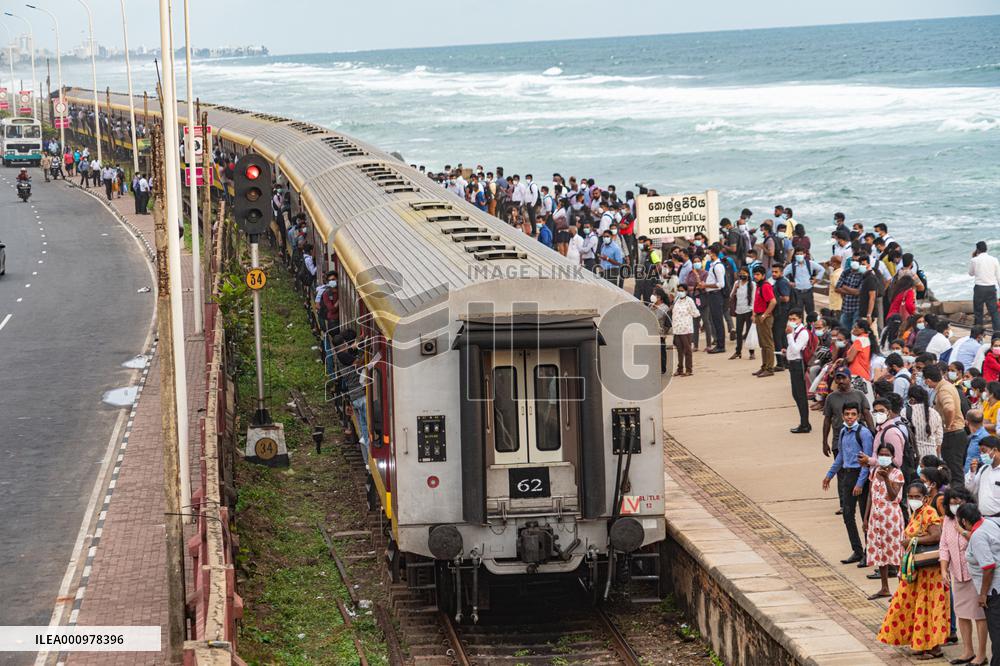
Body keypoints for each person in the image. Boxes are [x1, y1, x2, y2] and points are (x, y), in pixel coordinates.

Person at [877, 481, 950, 658]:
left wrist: (912, 541)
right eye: (910, 496)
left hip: (929, 571)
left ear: (925, 498)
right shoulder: (916, 513)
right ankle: (922, 643)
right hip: (916, 569)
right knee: (915, 605)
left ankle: (932, 646)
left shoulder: (929, 512)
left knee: (929, 606)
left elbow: (936, 535)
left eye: (917, 496)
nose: (913, 499)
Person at [939, 487, 990, 665]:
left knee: (979, 615)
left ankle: (981, 654)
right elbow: (944, 546)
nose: (955, 506)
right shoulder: (947, 521)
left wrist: (961, 530)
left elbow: (979, 541)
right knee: (962, 613)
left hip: (975, 575)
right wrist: (944, 569)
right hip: (958, 574)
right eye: (951, 503)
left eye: (958, 503)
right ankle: (968, 651)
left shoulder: (977, 520)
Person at [821, 402, 873, 563]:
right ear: (842, 416)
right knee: (848, 514)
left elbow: (866, 461)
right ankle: (857, 550)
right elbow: (841, 456)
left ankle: (869, 552)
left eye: (853, 414)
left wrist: (860, 483)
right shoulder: (843, 432)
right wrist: (830, 474)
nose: (850, 417)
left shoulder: (864, 433)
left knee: (865, 515)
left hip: (861, 476)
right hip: (847, 476)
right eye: (847, 414)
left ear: (858, 416)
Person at [956, 502, 1000, 666]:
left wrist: (982, 594)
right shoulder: (988, 523)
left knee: (997, 634)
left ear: (964, 521)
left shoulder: (978, 536)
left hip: (994, 591)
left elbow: (988, 567)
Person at [863, 443, 905, 599]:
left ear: (893, 457)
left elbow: (893, 496)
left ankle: (901, 590)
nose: (884, 457)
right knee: (880, 551)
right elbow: (870, 495)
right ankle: (884, 587)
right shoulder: (874, 472)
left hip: (891, 519)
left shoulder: (897, 474)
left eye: (887, 455)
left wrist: (887, 478)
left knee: (895, 552)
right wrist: (866, 518)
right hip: (876, 517)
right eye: (881, 454)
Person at [925, 365, 970, 487]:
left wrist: (947, 424)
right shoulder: (947, 385)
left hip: (952, 434)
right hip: (955, 434)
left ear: (928, 380)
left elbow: (949, 408)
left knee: (954, 472)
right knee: (953, 469)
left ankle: (958, 496)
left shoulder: (943, 390)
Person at [785, 308, 813, 433]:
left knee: (800, 396)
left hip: (798, 365)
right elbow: (793, 349)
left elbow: (796, 349)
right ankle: (804, 422)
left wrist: (789, 335)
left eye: (794, 319)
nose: (791, 321)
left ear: (800, 319)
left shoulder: (803, 333)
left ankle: (804, 424)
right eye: (790, 319)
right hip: (793, 364)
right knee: (796, 394)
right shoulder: (795, 331)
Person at [751, 265, 777, 377]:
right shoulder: (759, 286)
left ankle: (769, 368)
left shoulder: (765, 286)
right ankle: (764, 366)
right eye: (754, 274)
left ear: (763, 275)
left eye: (758, 274)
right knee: (763, 344)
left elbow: (773, 301)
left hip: (764, 317)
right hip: (759, 316)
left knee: (767, 344)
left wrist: (765, 314)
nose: (755, 276)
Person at [969, 241, 1000, 330]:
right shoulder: (994, 259)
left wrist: (974, 257)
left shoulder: (974, 260)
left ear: (977, 249)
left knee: (978, 312)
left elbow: (971, 273)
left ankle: (978, 333)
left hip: (979, 288)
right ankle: (997, 332)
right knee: (994, 312)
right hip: (991, 288)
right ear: (986, 249)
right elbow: (998, 276)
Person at [783, 249, 824, 316]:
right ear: (795, 255)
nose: (799, 255)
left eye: (801, 254)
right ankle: (801, 323)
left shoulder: (810, 263)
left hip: (809, 292)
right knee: (799, 313)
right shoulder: (791, 266)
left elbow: (822, 269)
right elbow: (782, 275)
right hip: (797, 293)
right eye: (797, 254)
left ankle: (811, 323)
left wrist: (816, 280)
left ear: (804, 254)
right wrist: (789, 282)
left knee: (811, 313)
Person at [671, 284, 700, 377]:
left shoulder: (689, 301)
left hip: (686, 329)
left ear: (686, 291)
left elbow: (696, 313)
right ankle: (680, 369)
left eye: (682, 290)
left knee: (687, 350)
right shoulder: (676, 300)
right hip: (677, 329)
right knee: (679, 350)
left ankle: (688, 369)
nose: (680, 292)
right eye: (679, 290)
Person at [704, 244, 728, 354]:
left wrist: (706, 285)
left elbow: (721, 284)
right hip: (712, 295)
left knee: (718, 321)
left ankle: (721, 345)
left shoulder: (718, 266)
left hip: (716, 295)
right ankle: (719, 344)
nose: (707, 255)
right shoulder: (713, 265)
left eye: (708, 253)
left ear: (713, 253)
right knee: (715, 320)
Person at [729, 267, 755, 360]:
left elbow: (753, 299)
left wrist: (753, 313)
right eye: (741, 273)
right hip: (739, 310)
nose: (742, 275)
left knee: (749, 332)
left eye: (744, 273)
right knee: (739, 332)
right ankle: (738, 351)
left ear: (748, 274)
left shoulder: (752, 284)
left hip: (748, 311)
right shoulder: (737, 283)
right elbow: (731, 296)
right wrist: (735, 289)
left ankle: (751, 352)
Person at [650, 287, 671, 374]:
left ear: (659, 297)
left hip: (660, 333)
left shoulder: (664, 307)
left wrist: (655, 308)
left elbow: (658, 317)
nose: (653, 296)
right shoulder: (651, 305)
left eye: (655, 294)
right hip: (651, 332)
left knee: (661, 352)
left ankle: (662, 368)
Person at [827, 255, 844, 319]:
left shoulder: (836, 275)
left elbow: (838, 287)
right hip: (838, 302)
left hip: (836, 303)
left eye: (831, 261)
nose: (830, 263)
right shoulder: (841, 271)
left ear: (835, 263)